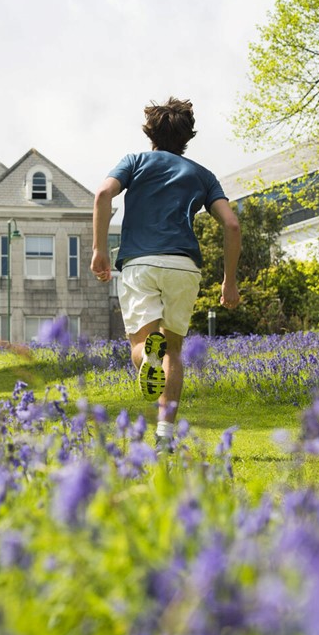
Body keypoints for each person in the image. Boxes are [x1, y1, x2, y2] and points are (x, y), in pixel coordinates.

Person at [91, 97, 241, 452]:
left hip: (140, 264)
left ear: (150, 132)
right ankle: (165, 436)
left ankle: (147, 358)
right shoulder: (202, 175)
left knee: (141, 345)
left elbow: (102, 195)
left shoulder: (134, 162)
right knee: (173, 349)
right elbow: (232, 225)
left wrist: (98, 248)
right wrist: (229, 281)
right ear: (187, 136)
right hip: (184, 267)